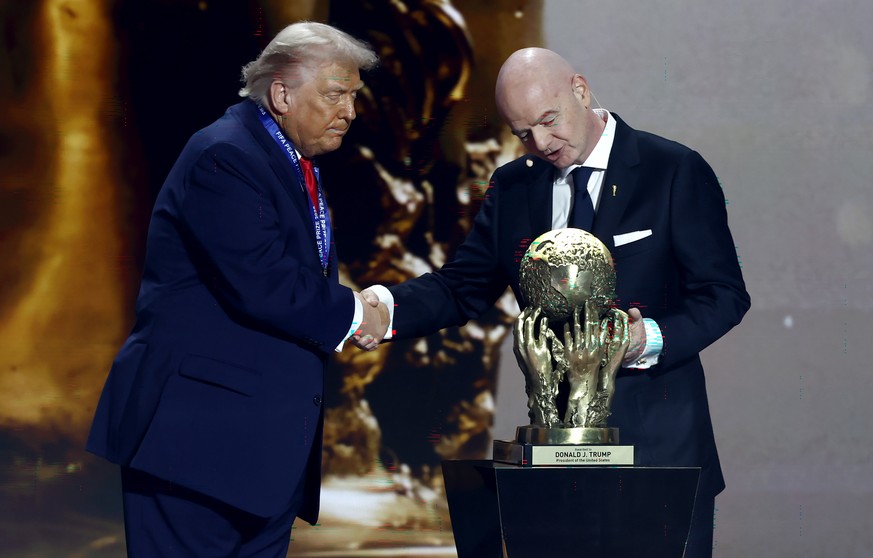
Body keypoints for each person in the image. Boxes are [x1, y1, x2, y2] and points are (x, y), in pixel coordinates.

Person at [361, 47, 750, 557]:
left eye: (549, 121)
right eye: (523, 133)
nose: (541, 143)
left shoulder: (672, 169)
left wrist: (644, 338)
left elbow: (722, 294)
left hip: (660, 459)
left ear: (581, 91)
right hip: (551, 462)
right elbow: (463, 286)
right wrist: (384, 307)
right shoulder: (513, 185)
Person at [86, 22, 385, 557]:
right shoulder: (225, 156)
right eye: (336, 95)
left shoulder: (287, 161)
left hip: (255, 459)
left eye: (354, 96)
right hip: (194, 449)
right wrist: (355, 314)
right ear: (282, 94)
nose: (350, 112)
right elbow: (264, 281)